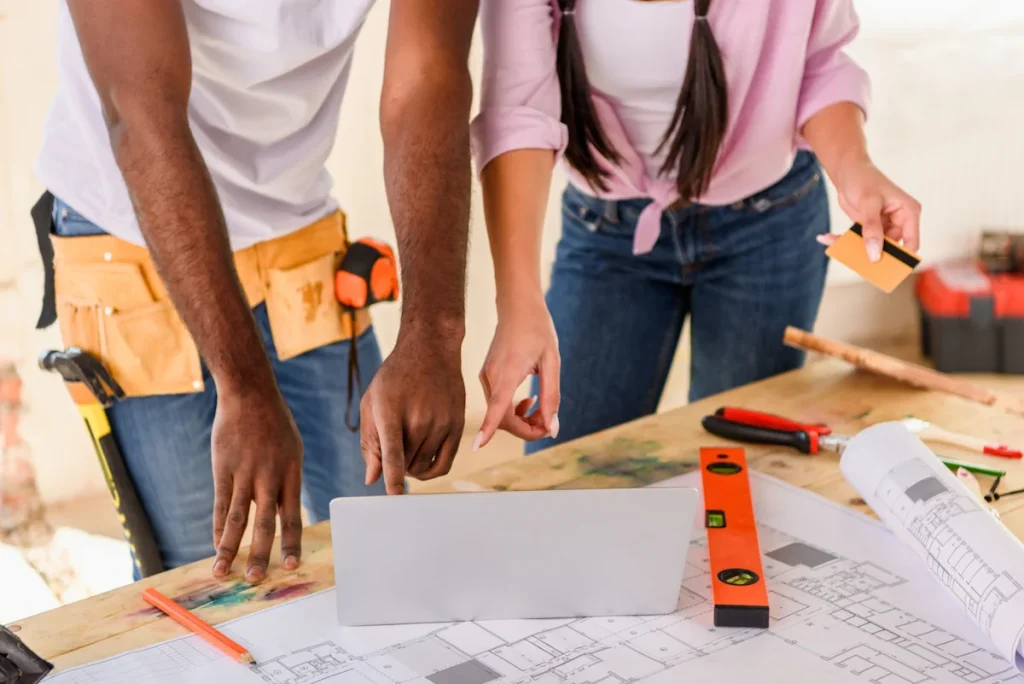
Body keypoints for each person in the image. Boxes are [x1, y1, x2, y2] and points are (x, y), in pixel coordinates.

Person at [34, 0, 477, 582]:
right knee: (205, 574)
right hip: (132, 227)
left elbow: (428, 78)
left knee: (375, 538)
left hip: (294, 222)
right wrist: (243, 389)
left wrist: (435, 333)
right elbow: (142, 119)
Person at [472, 0, 922, 454]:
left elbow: (818, 64)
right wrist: (518, 300)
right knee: (564, 465)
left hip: (768, 225)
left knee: (737, 461)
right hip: (605, 231)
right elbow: (518, 112)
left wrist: (854, 168)